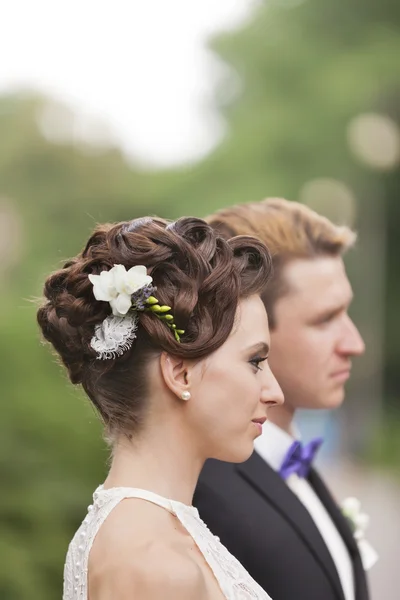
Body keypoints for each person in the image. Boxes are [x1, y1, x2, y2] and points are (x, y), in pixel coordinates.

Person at [37, 215, 284, 600]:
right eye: (255, 361)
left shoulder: (156, 535)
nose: (274, 392)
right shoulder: (154, 567)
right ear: (180, 374)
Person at [194, 198, 371, 600]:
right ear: (255, 326)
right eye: (325, 319)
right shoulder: (204, 494)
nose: (354, 343)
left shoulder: (297, 463)